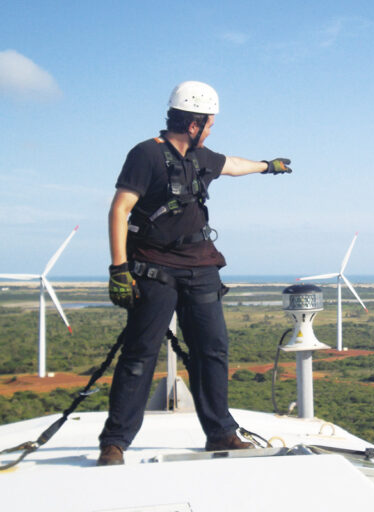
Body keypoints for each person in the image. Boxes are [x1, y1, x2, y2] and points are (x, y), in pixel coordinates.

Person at [98, 81, 291, 466]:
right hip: (154, 269)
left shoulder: (200, 157)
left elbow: (232, 164)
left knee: (212, 351)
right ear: (194, 123)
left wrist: (266, 166)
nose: (211, 131)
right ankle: (115, 442)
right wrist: (119, 269)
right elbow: (120, 208)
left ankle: (220, 433)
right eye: (210, 124)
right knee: (140, 354)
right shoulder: (145, 155)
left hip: (201, 266)